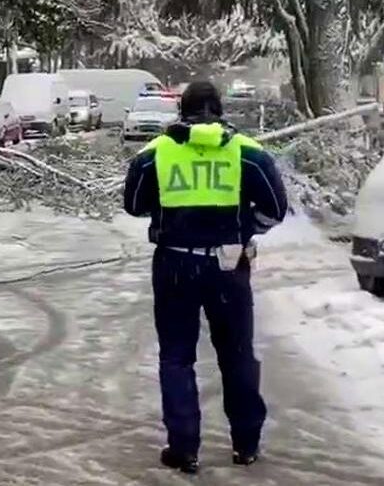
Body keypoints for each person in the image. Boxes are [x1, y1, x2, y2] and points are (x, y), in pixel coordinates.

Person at [123, 81, 288, 474]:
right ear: (220, 110)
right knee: (237, 354)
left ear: (181, 111)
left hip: (175, 264)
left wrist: (172, 214)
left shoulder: (154, 154)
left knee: (177, 356)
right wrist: (245, 228)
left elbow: (133, 205)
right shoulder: (247, 152)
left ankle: (184, 448)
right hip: (229, 265)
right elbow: (276, 209)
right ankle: (246, 444)